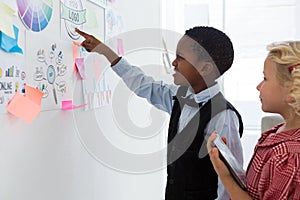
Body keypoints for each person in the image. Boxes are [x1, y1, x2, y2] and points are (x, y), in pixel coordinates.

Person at [75, 26, 244, 200]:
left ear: (205, 69)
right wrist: (105, 52)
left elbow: (230, 180)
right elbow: (143, 85)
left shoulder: (223, 116)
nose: (174, 63)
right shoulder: (179, 97)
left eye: (181, 58)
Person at [207, 41, 300, 200]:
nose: (258, 86)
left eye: (265, 78)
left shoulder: (288, 156)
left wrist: (225, 176)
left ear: (292, 90)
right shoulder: (278, 132)